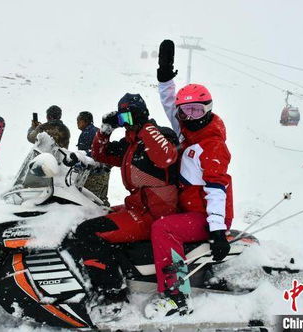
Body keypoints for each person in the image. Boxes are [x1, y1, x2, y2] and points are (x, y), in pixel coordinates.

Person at [144, 40, 233, 319]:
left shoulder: (212, 144)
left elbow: (218, 188)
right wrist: (165, 75)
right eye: (186, 110)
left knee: (163, 229)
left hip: (207, 214)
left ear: (208, 109)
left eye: (197, 110)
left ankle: (177, 296)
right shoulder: (186, 128)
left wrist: (217, 229)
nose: (190, 115)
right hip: (188, 206)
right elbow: (170, 102)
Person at [71, 93, 179, 320]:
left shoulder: (160, 136)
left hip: (155, 213)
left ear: (139, 115)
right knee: (92, 216)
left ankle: (113, 296)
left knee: (89, 233)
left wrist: (144, 126)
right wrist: (104, 131)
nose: (124, 122)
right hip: (138, 207)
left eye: (127, 116)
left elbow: (167, 157)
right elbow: (101, 155)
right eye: (121, 118)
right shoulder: (131, 144)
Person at [76, 111, 110, 206]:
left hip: (95, 174)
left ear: (85, 121)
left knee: (92, 201)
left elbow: (86, 156)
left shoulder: (86, 133)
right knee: (102, 199)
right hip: (105, 171)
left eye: (79, 120)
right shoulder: (98, 131)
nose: (77, 123)